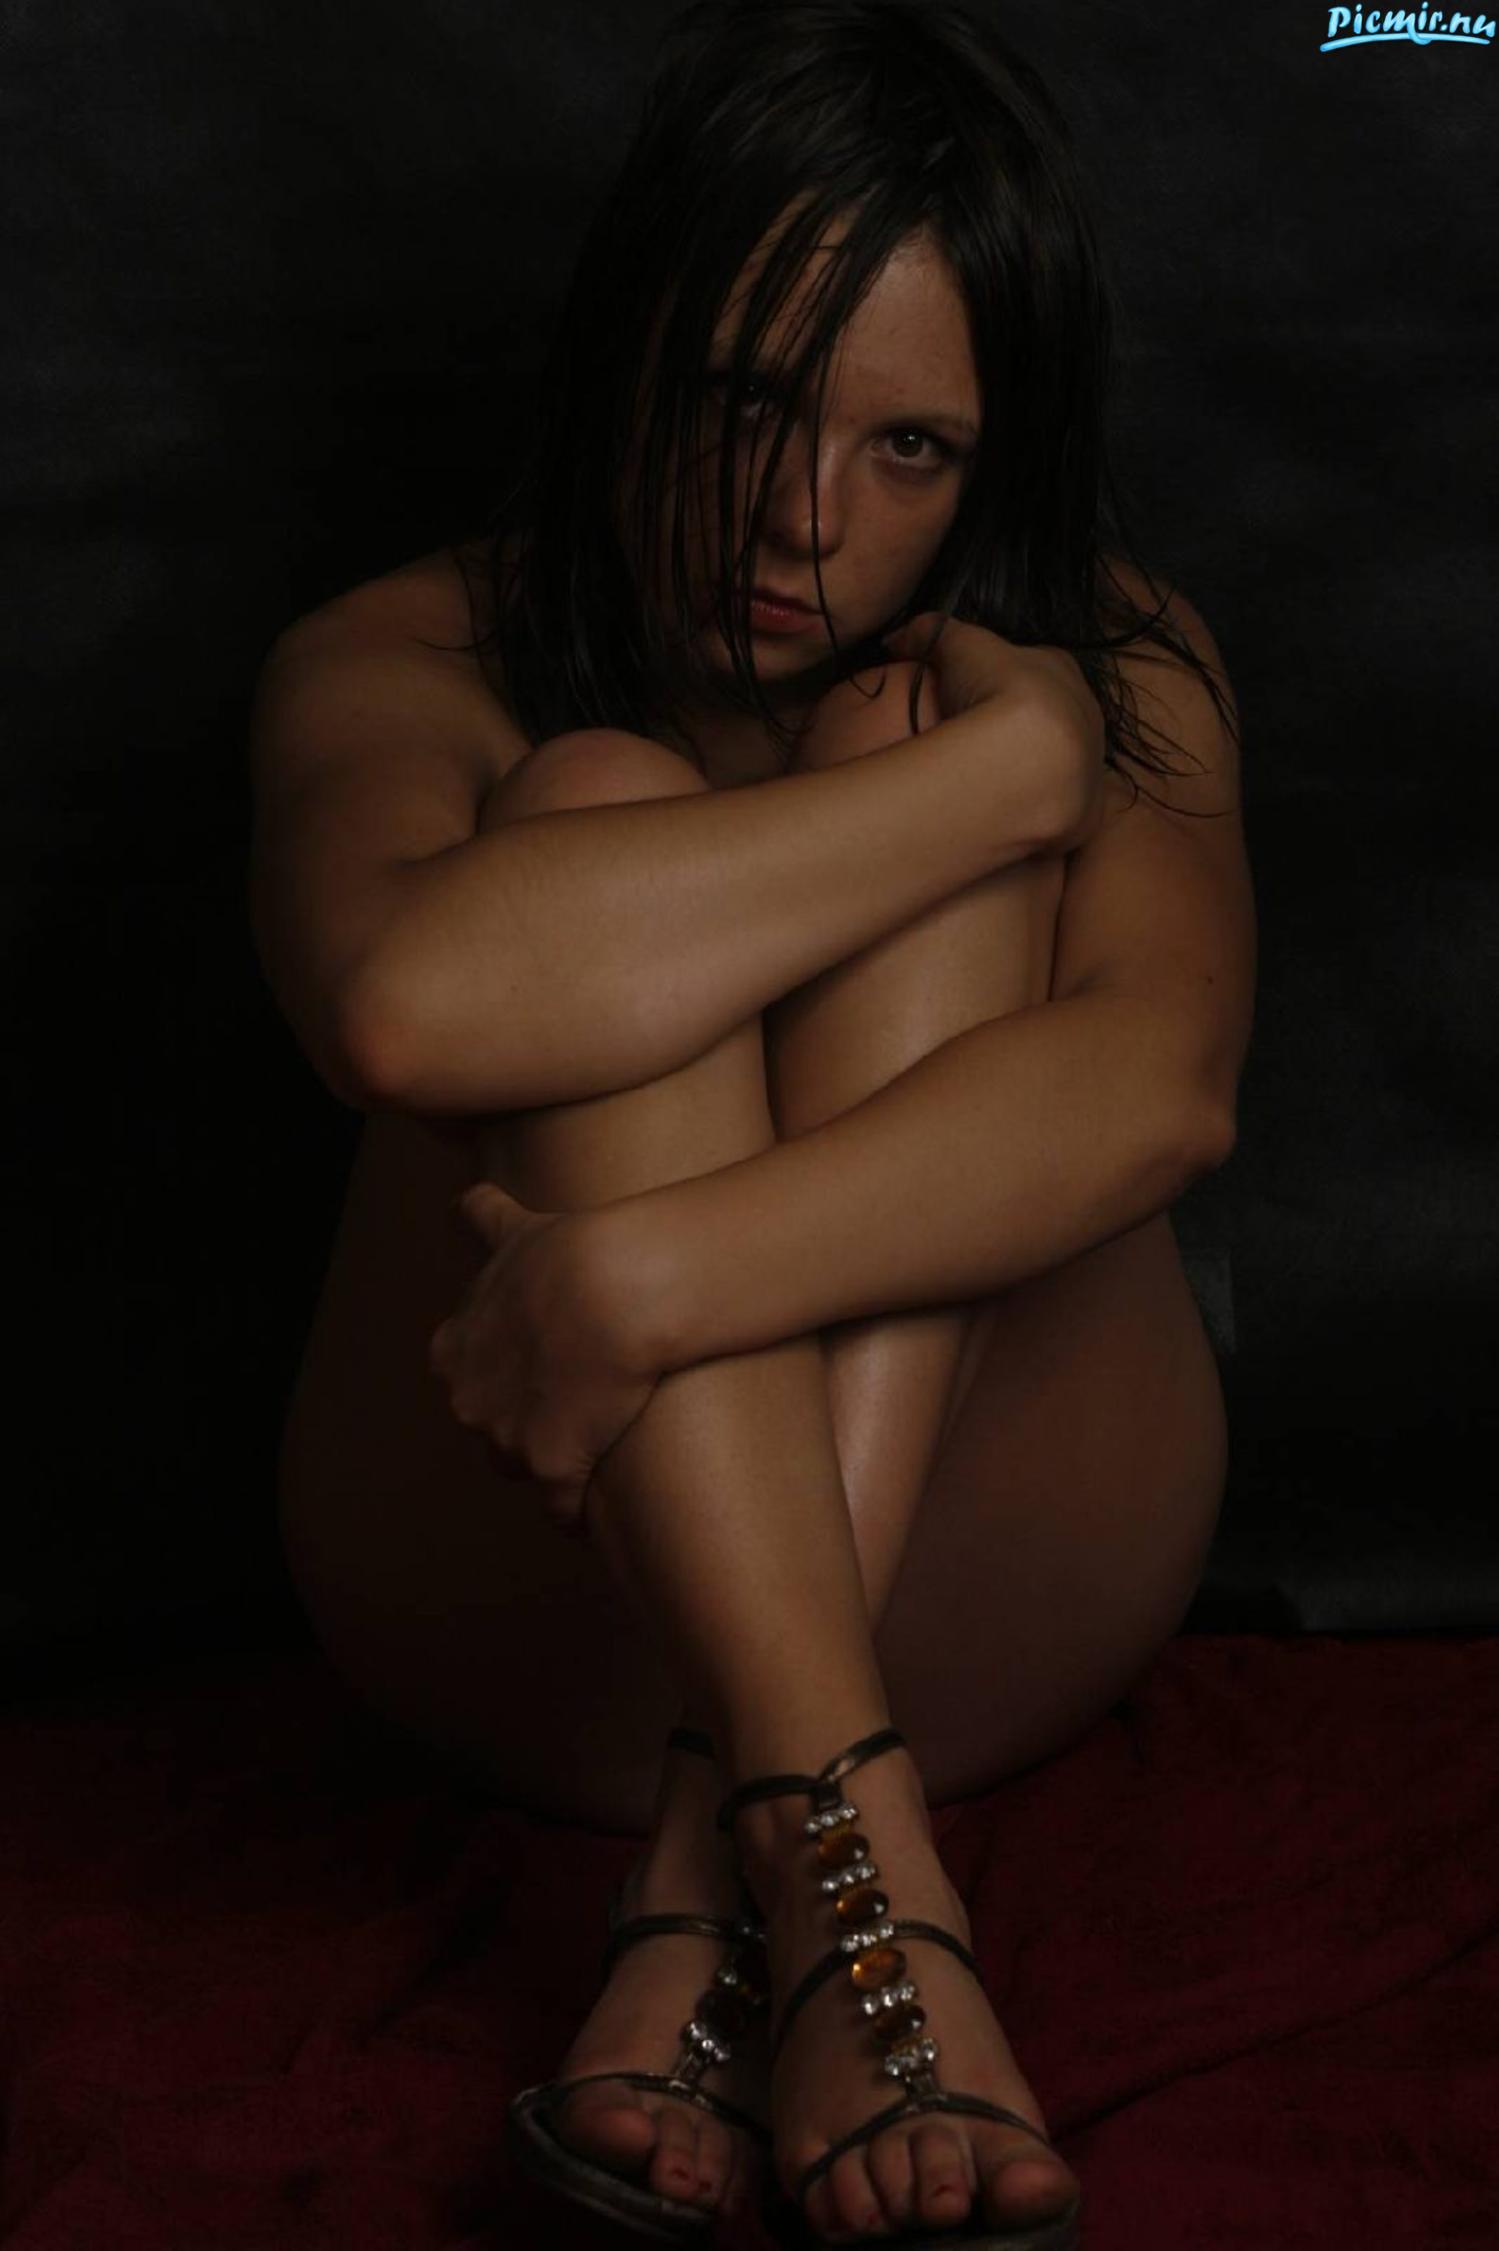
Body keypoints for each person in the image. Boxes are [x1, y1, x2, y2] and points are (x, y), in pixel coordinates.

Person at [246, 1, 1256, 2243]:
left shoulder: (1109, 647)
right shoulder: (401, 656)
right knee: (603, 810)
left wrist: (647, 1277)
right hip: (523, 1625)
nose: (806, 517)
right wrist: (1001, 782)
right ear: (625, 353)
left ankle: (734, 1875)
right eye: (739, 403)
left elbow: (1157, 1087)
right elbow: (411, 1004)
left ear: (996, 460)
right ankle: (859, 1892)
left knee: (897, 733)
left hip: (996, 1590)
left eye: (912, 451)